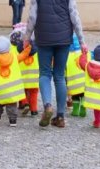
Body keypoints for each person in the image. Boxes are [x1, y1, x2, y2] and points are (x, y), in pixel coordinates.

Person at [23, 0, 87, 128]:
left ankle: (47, 106)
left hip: (44, 38)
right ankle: (61, 116)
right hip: (64, 38)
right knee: (59, 76)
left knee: (45, 73)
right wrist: (81, 41)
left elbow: (32, 16)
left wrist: (27, 37)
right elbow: (74, 15)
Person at [0, 36, 31, 127]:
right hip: (12, 92)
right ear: (9, 47)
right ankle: (12, 120)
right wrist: (28, 48)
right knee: (12, 105)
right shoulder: (14, 58)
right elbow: (23, 56)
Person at [65, 33, 91, 117]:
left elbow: (64, 71)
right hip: (84, 84)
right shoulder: (86, 54)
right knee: (83, 96)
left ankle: (75, 111)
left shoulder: (67, 57)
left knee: (75, 97)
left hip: (73, 85)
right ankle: (83, 103)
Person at [17, 40, 40, 116]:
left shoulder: (19, 56)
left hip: (23, 81)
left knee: (21, 92)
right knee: (34, 94)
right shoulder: (37, 55)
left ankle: (25, 103)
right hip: (34, 80)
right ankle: (34, 110)